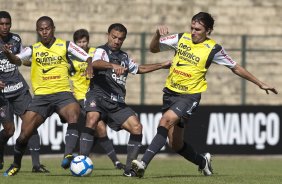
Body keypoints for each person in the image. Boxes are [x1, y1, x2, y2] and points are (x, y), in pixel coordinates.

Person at [131, 12, 278, 178]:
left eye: (198, 29)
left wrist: (259, 83)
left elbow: (235, 67)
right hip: (170, 93)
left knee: (165, 121)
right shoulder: (180, 38)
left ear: (208, 31)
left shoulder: (214, 49)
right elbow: (153, 48)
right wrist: (157, 35)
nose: (193, 32)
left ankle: (143, 163)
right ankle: (203, 162)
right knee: (175, 144)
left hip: (189, 96)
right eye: (192, 28)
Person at [1, 15, 93, 176]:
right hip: (41, 98)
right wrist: (8, 54)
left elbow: (87, 56)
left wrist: (90, 66)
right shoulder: (33, 49)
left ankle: (68, 155)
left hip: (62, 94)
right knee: (23, 135)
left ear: (53, 29)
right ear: (37, 31)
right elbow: (16, 60)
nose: (44, 32)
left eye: (47, 28)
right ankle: (16, 164)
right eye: (41, 29)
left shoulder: (65, 45)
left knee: (74, 113)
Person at [79, 23, 171, 177]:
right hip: (98, 95)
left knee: (137, 127)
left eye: (120, 39)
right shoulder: (102, 51)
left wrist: (162, 65)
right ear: (108, 35)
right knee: (92, 117)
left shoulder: (125, 57)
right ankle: (81, 162)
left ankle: (129, 170)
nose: (116, 41)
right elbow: (95, 63)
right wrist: (112, 66)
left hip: (117, 102)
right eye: (114, 37)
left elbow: (139, 68)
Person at [0, 11, 49, 173]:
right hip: (2, 95)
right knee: (9, 131)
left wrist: (37, 63)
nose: (5, 27)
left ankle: (36, 165)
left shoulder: (16, 39)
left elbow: (21, 59)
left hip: (19, 89)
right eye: (2, 24)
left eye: (7, 23)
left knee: (31, 125)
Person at [68, 28, 125, 170]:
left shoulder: (95, 52)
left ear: (88, 41)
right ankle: (115, 162)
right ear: (75, 44)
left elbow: (101, 62)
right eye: (79, 42)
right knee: (99, 127)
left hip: (98, 93)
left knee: (97, 129)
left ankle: (81, 157)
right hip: (82, 96)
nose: (82, 44)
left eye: (84, 41)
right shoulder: (71, 58)